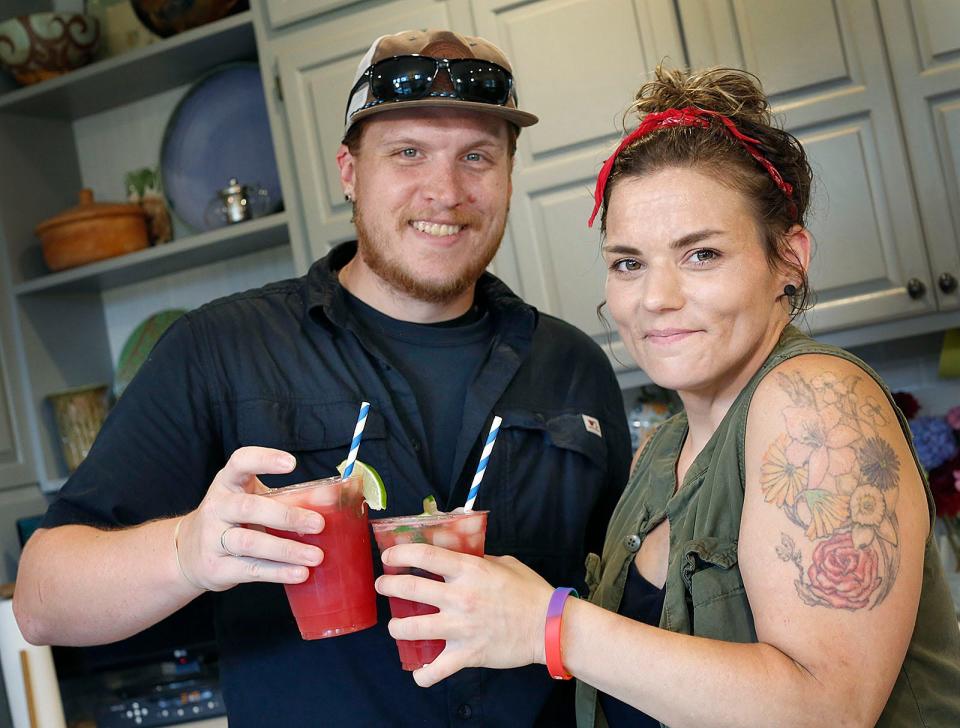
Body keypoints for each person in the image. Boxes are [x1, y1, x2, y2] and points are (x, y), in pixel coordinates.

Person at [12, 29, 631, 726]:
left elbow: (629, 604)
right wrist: (188, 550)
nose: (446, 190)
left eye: (477, 157)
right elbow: (41, 601)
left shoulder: (573, 366)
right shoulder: (221, 349)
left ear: (508, 176)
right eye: (407, 153)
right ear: (348, 171)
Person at [374, 66, 960, 726]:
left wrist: (549, 624)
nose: (655, 298)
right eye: (629, 262)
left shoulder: (812, 401)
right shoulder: (664, 450)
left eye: (701, 254)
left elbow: (826, 708)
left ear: (789, 260)